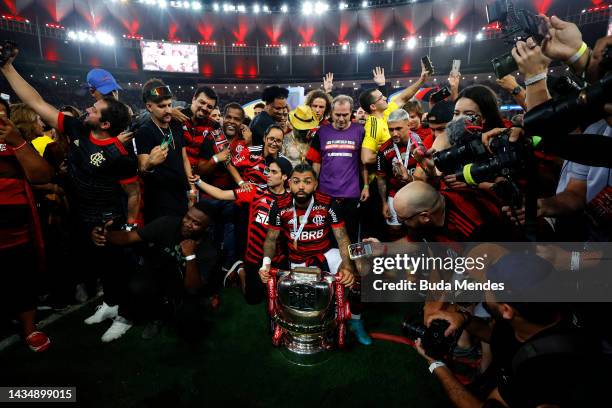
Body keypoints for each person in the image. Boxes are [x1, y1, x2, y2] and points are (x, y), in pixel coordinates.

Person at [0, 49, 141, 342]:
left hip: (108, 219)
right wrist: (7, 69)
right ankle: (111, 304)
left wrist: (128, 225)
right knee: (99, 267)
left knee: (118, 268)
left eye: (95, 109)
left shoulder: (120, 155)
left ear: (104, 125)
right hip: (80, 214)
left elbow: (133, 191)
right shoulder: (76, 127)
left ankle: (127, 314)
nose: (87, 108)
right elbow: (34, 101)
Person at [416, 253, 606, 407]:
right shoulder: (537, 313)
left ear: (506, 309)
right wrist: (464, 319)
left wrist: (437, 365)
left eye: (490, 286)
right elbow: (501, 338)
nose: (484, 288)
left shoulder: (545, 369)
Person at [260, 163, 372, 344]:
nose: (301, 186)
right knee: (301, 305)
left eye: (307, 182)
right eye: (296, 182)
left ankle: (356, 320)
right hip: (297, 261)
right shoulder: (279, 206)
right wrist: (265, 265)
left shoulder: (328, 203)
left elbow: (343, 238)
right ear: (289, 184)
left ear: (315, 184)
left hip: (326, 254)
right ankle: (282, 325)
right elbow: (271, 240)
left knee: (361, 265)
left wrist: (348, 268)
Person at [92, 202, 220, 340]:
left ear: (206, 228)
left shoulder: (209, 250)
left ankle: (183, 308)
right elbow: (129, 237)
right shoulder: (167, 223)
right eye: (187, 217)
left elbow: (192, 288)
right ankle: (156, 316)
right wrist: (106, 235)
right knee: (138, 285)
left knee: (190, 326)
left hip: (185, 288)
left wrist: (190, 256)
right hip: (162, 273)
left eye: (196, 223)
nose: (188, 223)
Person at [195, 157, 293, 304]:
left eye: (274, 172)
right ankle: (241, 270)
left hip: (277, 259)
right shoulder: (254, 191)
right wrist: (198, 181)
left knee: (279, 299)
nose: (268, 174)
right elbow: (221, 194)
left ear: (284, 176)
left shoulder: (291, 200)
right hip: (253, 257)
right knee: (252, 300)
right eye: (268, 171)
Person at [0, 106, 54, 352]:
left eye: (2, 113)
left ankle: (29, 328)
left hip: (17, 231)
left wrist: (17, 142)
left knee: (22, 277)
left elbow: (42, 175)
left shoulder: (15, 141)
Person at [306, 95, 369, 243]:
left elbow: (363, 162)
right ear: (331, 113)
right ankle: (332, 266)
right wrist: (314, 188)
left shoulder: (360, 131)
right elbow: (316, 162)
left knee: (352, 237)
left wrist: (365, 185)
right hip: (325, 195)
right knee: (328, 238)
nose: (341, 119)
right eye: (338, 115)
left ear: (351, 112)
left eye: (345, 115)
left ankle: (352, 266)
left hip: (351, 195)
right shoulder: (321, 132)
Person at [135, 79, 195, 222]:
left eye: (169, 105)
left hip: (181, 194)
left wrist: (192, 188)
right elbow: (142, 168)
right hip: (159, 201)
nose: (168, 110)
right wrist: (150, 163)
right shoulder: (144, 132)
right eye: (162, 106)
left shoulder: (176, 125)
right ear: (149, 107)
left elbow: (184, 158)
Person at [360, 61, 432, 164]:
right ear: (373, 106)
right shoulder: (373, 125)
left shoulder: (387, 111)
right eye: (381, 98)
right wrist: (390, 154)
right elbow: (366, 158)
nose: (385, 97)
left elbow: (404, 97)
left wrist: (422, 80)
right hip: (382, 176)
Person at [377, 109, 433, 230]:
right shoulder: (384, 150)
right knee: (395, 229)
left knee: (418, 227)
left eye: (398, 128)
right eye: (391, 129)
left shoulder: (421, 142)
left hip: (419, 193)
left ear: (408, 125)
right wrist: (384, 203)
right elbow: (381, 178)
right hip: (395, 193)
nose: (394, 133)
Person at [232, 124, 286, 189]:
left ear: (282, 143)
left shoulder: (284, 162)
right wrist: (241, 182)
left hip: (269, 197)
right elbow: (232, 165)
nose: (274, 143)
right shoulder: (250, 152)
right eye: (271, 139)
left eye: (278, 141)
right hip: (246, 193)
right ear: (264, 138)